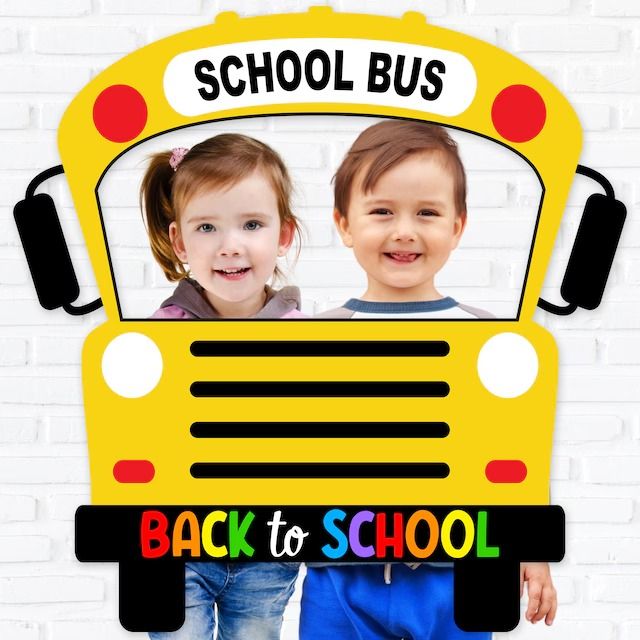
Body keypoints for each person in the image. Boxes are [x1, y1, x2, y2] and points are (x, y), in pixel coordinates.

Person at [301, 120, 557, 639]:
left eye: (427, 213)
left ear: (457, 226)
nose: (404, 230)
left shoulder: (490, 338)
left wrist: (531, 547)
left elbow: (514, 450)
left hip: (462, 574)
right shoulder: (314, 337)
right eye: (381, 212)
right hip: (339, 573)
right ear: (344, 224)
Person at [141, 133, 302, 639]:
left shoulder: (305, 337)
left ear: (283, 235)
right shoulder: (158, 337)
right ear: (180, 241)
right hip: (173, 544)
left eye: (252, 224)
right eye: (207, 226)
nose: (230, 244)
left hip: (265, 550)